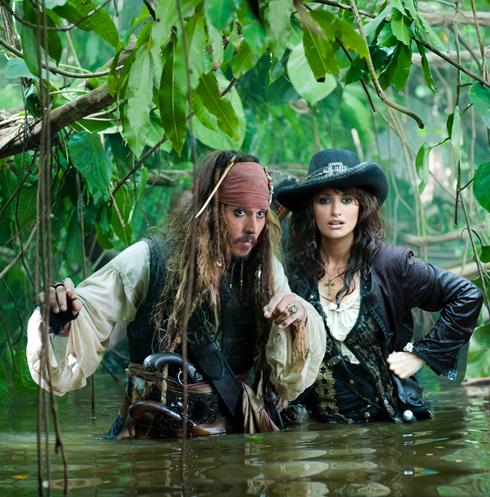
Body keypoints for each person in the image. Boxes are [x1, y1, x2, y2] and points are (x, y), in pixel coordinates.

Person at [27, 150, 326, 438]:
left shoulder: (264, 270)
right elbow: (86, 311)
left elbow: (289, 381)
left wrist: (297, 318)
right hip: (156, 437)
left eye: (260, 214)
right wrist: (60, 318)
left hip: (234, 436)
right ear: (210, 210)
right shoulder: (148, 259)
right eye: (239, 212)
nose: (253, 227)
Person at [276, 148, 483, 424]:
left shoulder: (392, 264)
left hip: (390, 425)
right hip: (321, 432)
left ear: (361, 206)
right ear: (311, 209)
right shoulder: (293, 272)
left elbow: (467, 295)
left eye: (346, 200)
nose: (336, 211)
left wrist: (420, 354)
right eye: (325, 200)